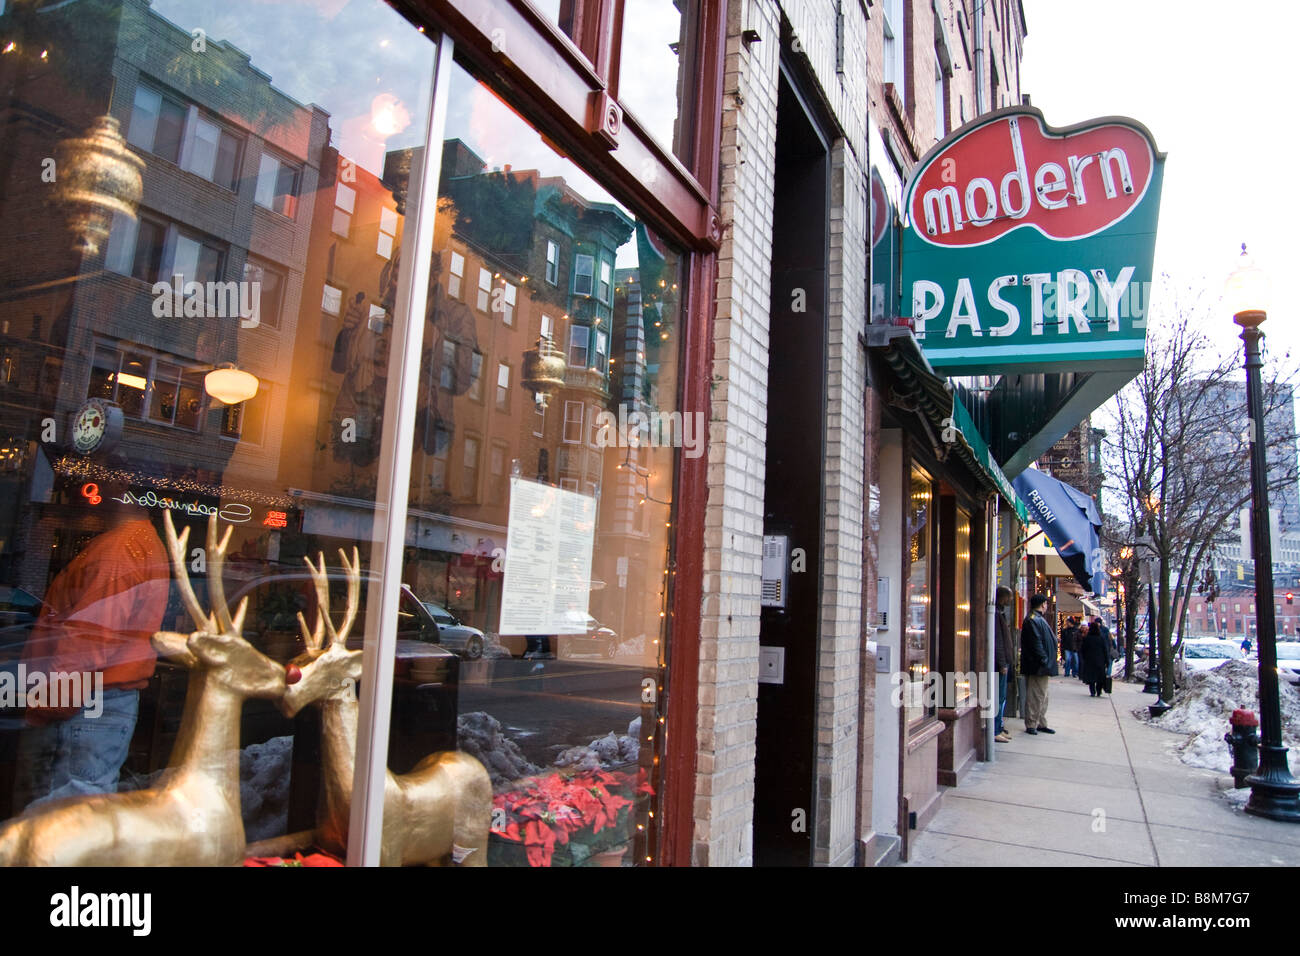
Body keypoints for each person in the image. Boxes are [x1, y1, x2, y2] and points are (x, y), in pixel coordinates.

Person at [11, 496, 170, 812]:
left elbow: (88, 642)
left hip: (86, 701)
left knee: (65, 818)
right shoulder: (135, 543)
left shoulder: (120, 550)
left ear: (122, 484)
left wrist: (46, 706)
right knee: (74, 812)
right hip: (95, 699)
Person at [1019, 593, 1058, 735]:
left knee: (1042, 695)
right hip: (1038, 666)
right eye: (1046, 604)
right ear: (1043, 604)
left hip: (1041, 665)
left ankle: (1040, 722)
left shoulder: (1036, 619)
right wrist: (1044, 660)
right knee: (1036, 695)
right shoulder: (1033, 619)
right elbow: (1036, 644)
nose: (1047, 606)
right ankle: (1032, 723)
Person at [994, 586, 1015, 743]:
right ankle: (995, 729)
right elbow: (998, 642)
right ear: (1002, 597)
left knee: (1001, 698)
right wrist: (1002, 663)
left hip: (1003, 663)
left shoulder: (999, 613)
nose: (1012, 599)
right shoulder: (996, 615)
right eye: (1010, 597)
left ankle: (998, 727)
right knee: (998, 698)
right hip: (999, 665)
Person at [1079, 619, 1111, 697]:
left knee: (1091, 678)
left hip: (1089, 661)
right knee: (1100, 678)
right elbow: (1105, 650)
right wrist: (1107, 661)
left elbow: (1083, 649)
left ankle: (1092, 691)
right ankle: (1099, 691)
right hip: (1100, 661)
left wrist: (1084, 658)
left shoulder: (1087, 638)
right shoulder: (1101, 638)